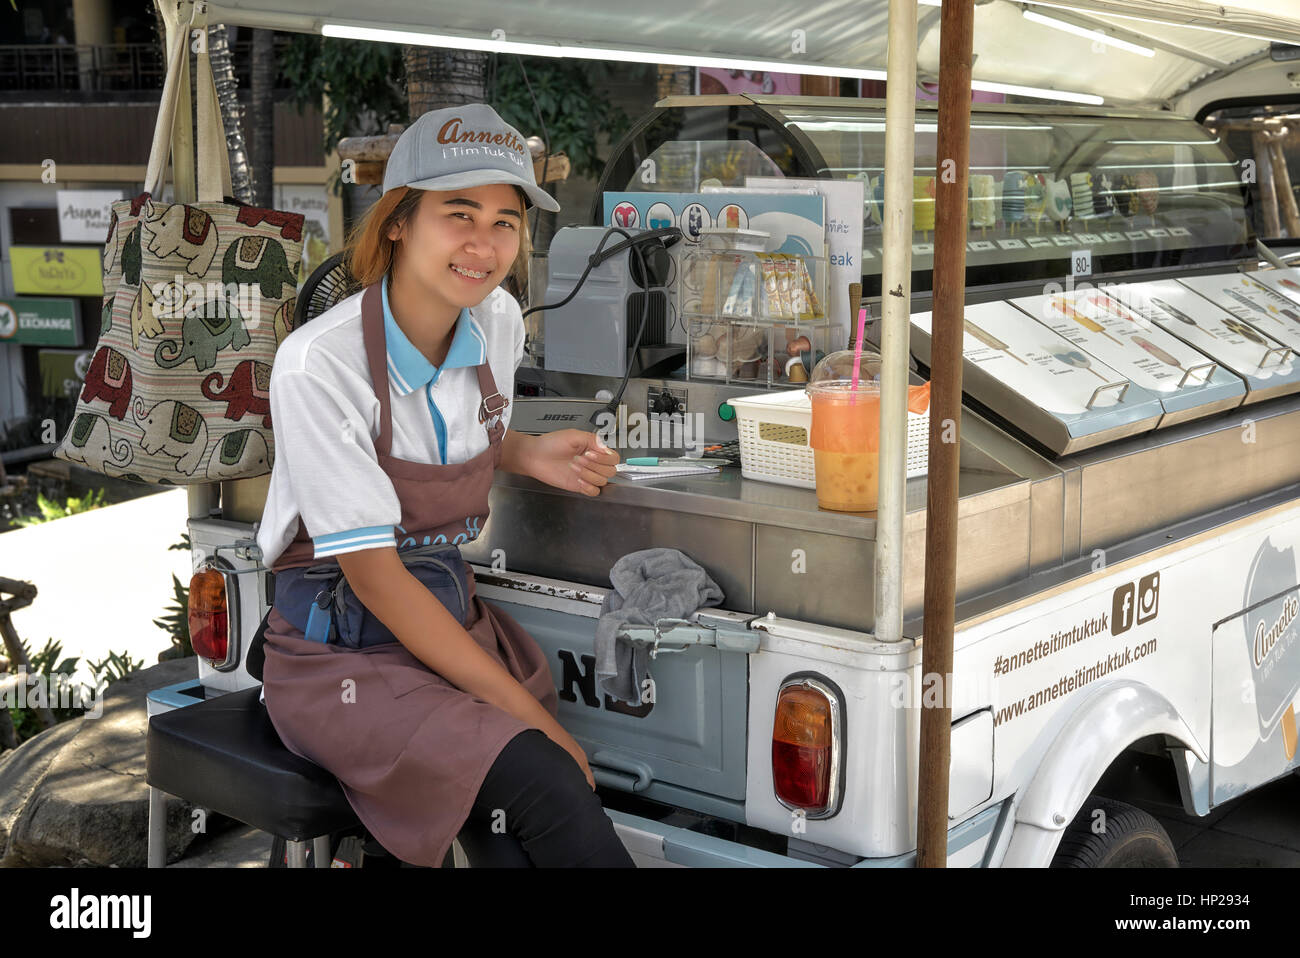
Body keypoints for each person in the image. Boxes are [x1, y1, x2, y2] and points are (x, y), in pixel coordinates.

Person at [254, 103, 635, 868]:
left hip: (447, 624)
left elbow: (445, 431)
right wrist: (537, 722)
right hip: (343, 660)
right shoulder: (317, 365)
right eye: (458, 214)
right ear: (397, 221)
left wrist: (524, 452)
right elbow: (377, 579)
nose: (483, 244)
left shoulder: (495, 319)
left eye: (505, 221)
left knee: (506, 831)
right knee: (548, 781)